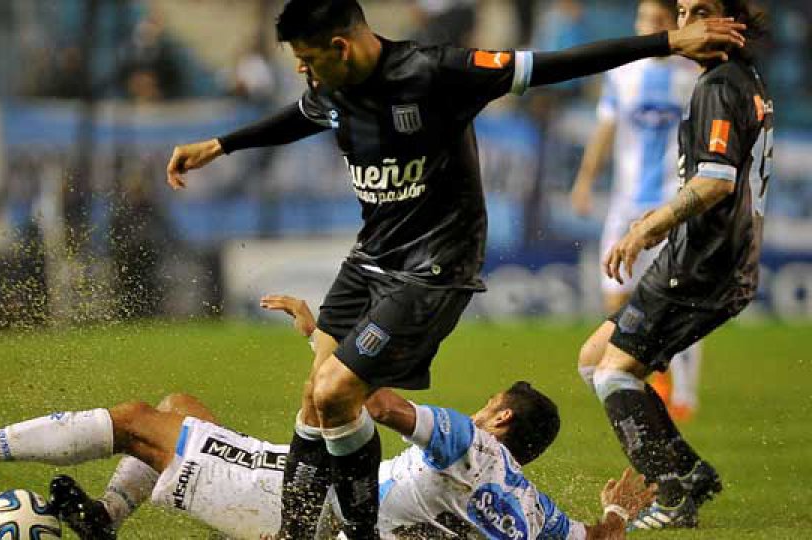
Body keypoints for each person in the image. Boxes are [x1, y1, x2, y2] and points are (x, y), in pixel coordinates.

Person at [164, 1, 744, 537]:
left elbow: (553, 64)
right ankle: (295, 535)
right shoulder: (330, 87)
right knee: (315, 401)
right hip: (371, 257)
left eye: (309, 58)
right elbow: (300, 116)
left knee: (338, 390)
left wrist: (668, 41)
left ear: (342, 46)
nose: (302, 71)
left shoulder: (434, 71)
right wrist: (221, 144)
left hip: (434, 266)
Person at [0, 295, 656, 540]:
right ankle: (104, 518)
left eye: (489, 404)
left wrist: (320, 337)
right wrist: (616, 516)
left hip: (301, 505)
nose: (479, 408)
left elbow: (366, 399)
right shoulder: (532, 510)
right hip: (322, 499)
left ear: (499, 416)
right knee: (181, 407)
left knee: (136, 421)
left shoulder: (464, 442)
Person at [577, 0, 772, 530]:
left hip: (705, 264)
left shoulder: (718, 87)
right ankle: (690, 471)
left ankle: (671, 494)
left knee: (613, 374)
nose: (684, 24)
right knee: (593, 359)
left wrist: (648, 227)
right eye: (682, 11)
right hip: (699, 255)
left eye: (700, 11)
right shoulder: (739, 79)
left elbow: (716, 181)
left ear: (730, 24)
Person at [570, 0, 702, 421]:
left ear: (672, 24)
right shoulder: (622, 74)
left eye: (657, 20)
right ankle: (643, 372)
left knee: (677, 297)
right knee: (616, 294)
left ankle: (683, 393)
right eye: (643, 19)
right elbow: (605, 130)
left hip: (671, 202)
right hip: (625, 202)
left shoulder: (693, 76)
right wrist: (585, 180)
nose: (649, 27)